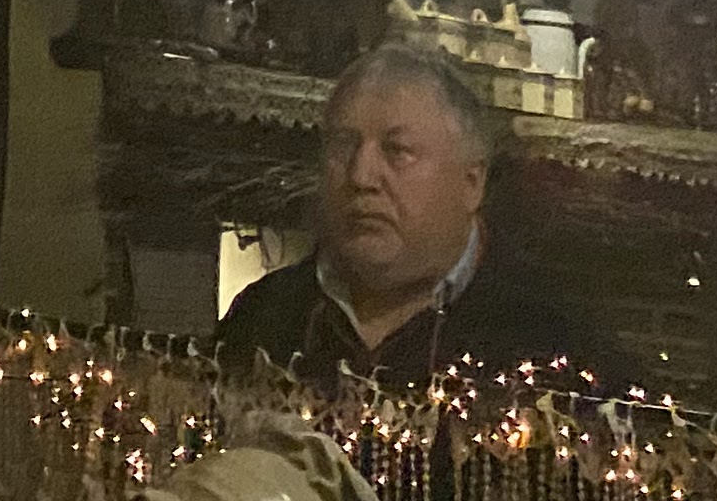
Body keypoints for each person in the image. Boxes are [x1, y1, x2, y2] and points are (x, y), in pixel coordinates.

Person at [218, 42, 583, 383]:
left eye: (397, 151)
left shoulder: (549, 338)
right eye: (344, 146)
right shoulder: (263, 318)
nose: (361, 177)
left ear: (471, 183)